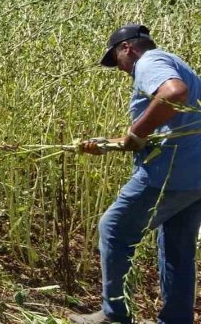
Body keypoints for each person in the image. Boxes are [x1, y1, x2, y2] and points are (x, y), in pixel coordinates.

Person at [70, 24, 201, 324]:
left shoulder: (148, 62)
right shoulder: (175, 62)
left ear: (127, 48)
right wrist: (109, 144)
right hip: (195, 175)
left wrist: (136, 131)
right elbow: (173, 127)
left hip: (168, 174)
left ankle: (114, 315)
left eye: (116, 60)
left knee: (113, 229)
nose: (120, 69)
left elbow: (173, 93)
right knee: (177, 247)